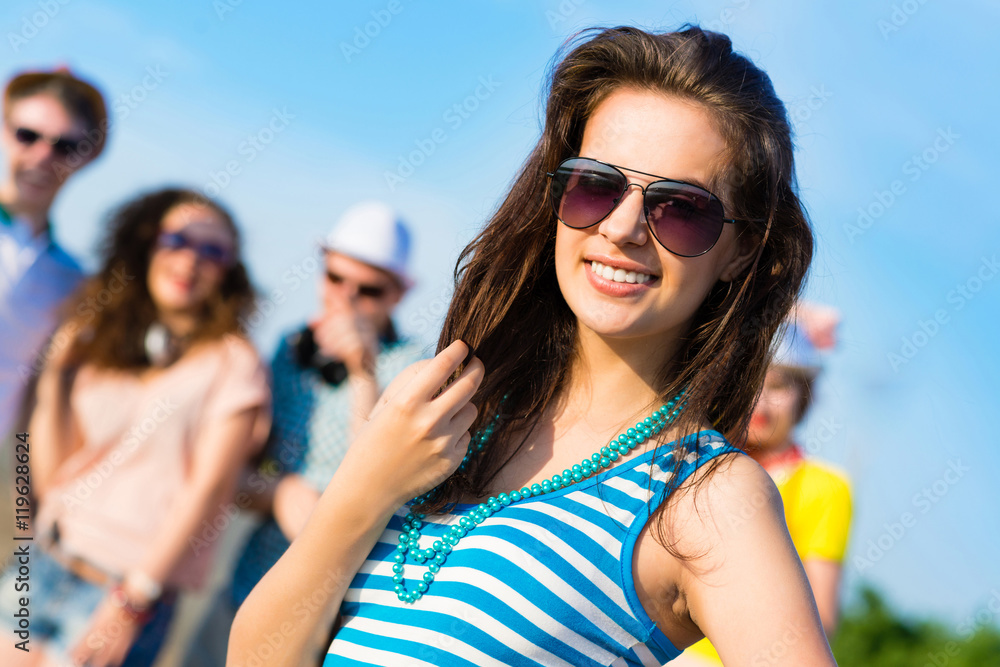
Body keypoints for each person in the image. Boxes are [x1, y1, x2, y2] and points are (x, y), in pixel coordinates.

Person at [230, 26, 838, 666]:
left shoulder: (708, 498)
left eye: (680, 208)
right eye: (595, 185)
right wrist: (363, 488)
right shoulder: (451, 416)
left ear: (741, 249)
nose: (622, 227)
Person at [0, 188, 271, 667]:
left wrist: (134, 599)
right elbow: (56, 475)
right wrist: (56, 380)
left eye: (213, 251)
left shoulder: (234, 364)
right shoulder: (106, 344)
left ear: (229, 271)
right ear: (147, 244)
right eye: (178, 240)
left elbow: (209, 488)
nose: (191, 260)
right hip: (43, 559)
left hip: (121, 590)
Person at [183, 201, 425, 667]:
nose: (346, 299)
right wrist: (280, 493)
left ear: (397, 295)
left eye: (369, 290)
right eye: (336, 279)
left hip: (329, 623)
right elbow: (241, 474)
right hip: (247, 586)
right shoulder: (289, 351)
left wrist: (362, 371)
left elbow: (380, 478)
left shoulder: (413, 366)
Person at [678, 304, 852, 665]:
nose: (761, 401)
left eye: (778, 385)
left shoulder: (824, 487)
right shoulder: (691, 458)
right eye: (751, 383)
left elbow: (822, 614)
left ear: (803, 395)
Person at [0, 67, 108, 442]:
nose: (43, 156)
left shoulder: (73, 281)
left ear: (90, 154)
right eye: (27, 135)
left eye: (65, 146)